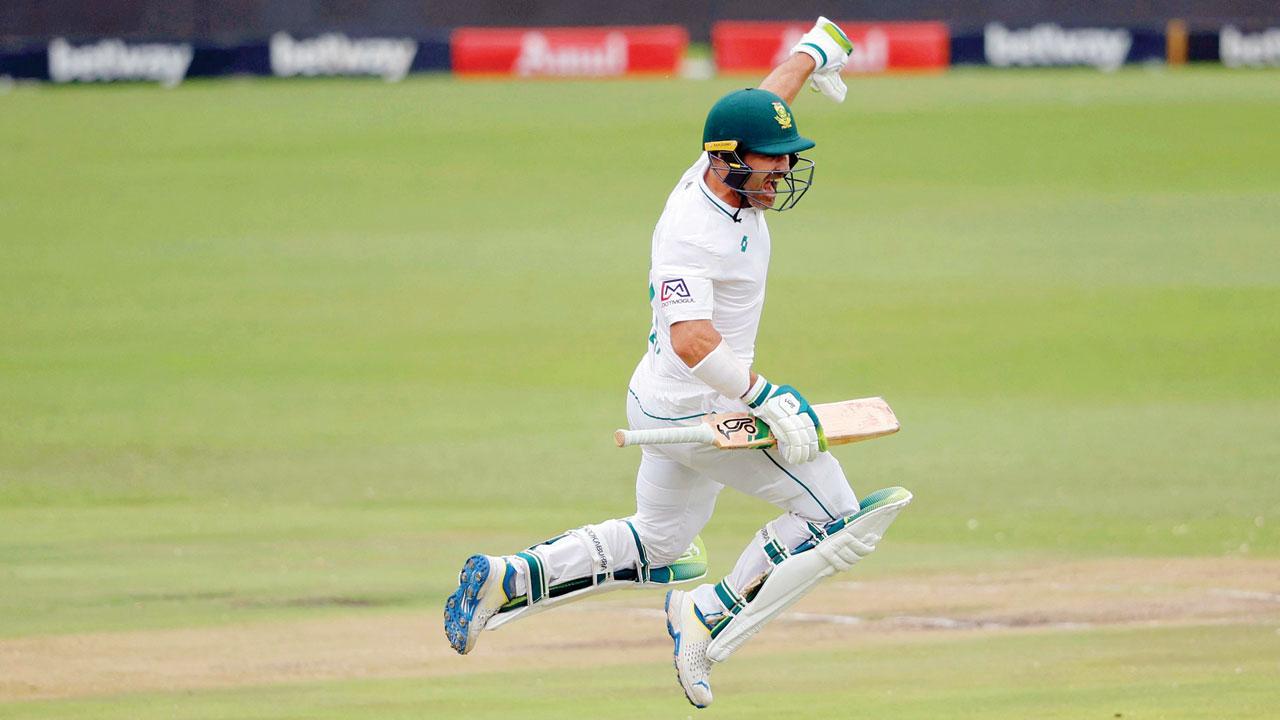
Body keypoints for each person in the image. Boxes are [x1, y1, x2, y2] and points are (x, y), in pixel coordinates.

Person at [444, 18, 905, 709]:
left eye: (784, 156)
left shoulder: (716, 167)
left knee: (660, 544)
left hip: (657, 398)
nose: (781, 169)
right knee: (834, 517)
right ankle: (707, 614)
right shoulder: (693, 232)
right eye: (770, 160)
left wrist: (810, 53)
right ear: (725, 162)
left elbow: (760, 100)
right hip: (700, 406)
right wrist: (765, 396)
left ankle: (509, 577)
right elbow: (691, 339)